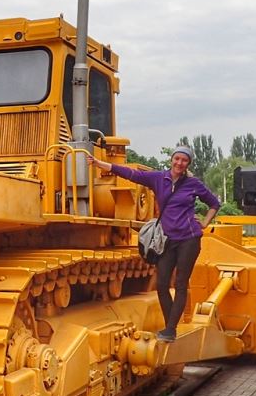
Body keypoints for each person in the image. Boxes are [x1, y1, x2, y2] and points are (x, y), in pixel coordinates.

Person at [87, 146, 220, 341]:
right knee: (162, 283)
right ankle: (170, 325)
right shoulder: (159, 178)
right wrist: (100, 164)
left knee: (181, 283)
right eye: (177, 159)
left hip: (189, 239)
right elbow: (132, 174)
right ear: (171, 159)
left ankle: (170, 330)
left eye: (184, 160)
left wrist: (205, 222)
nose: (179, 163)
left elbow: (214, 203)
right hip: (166, 239)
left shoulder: (193, 184)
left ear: (188, 163)